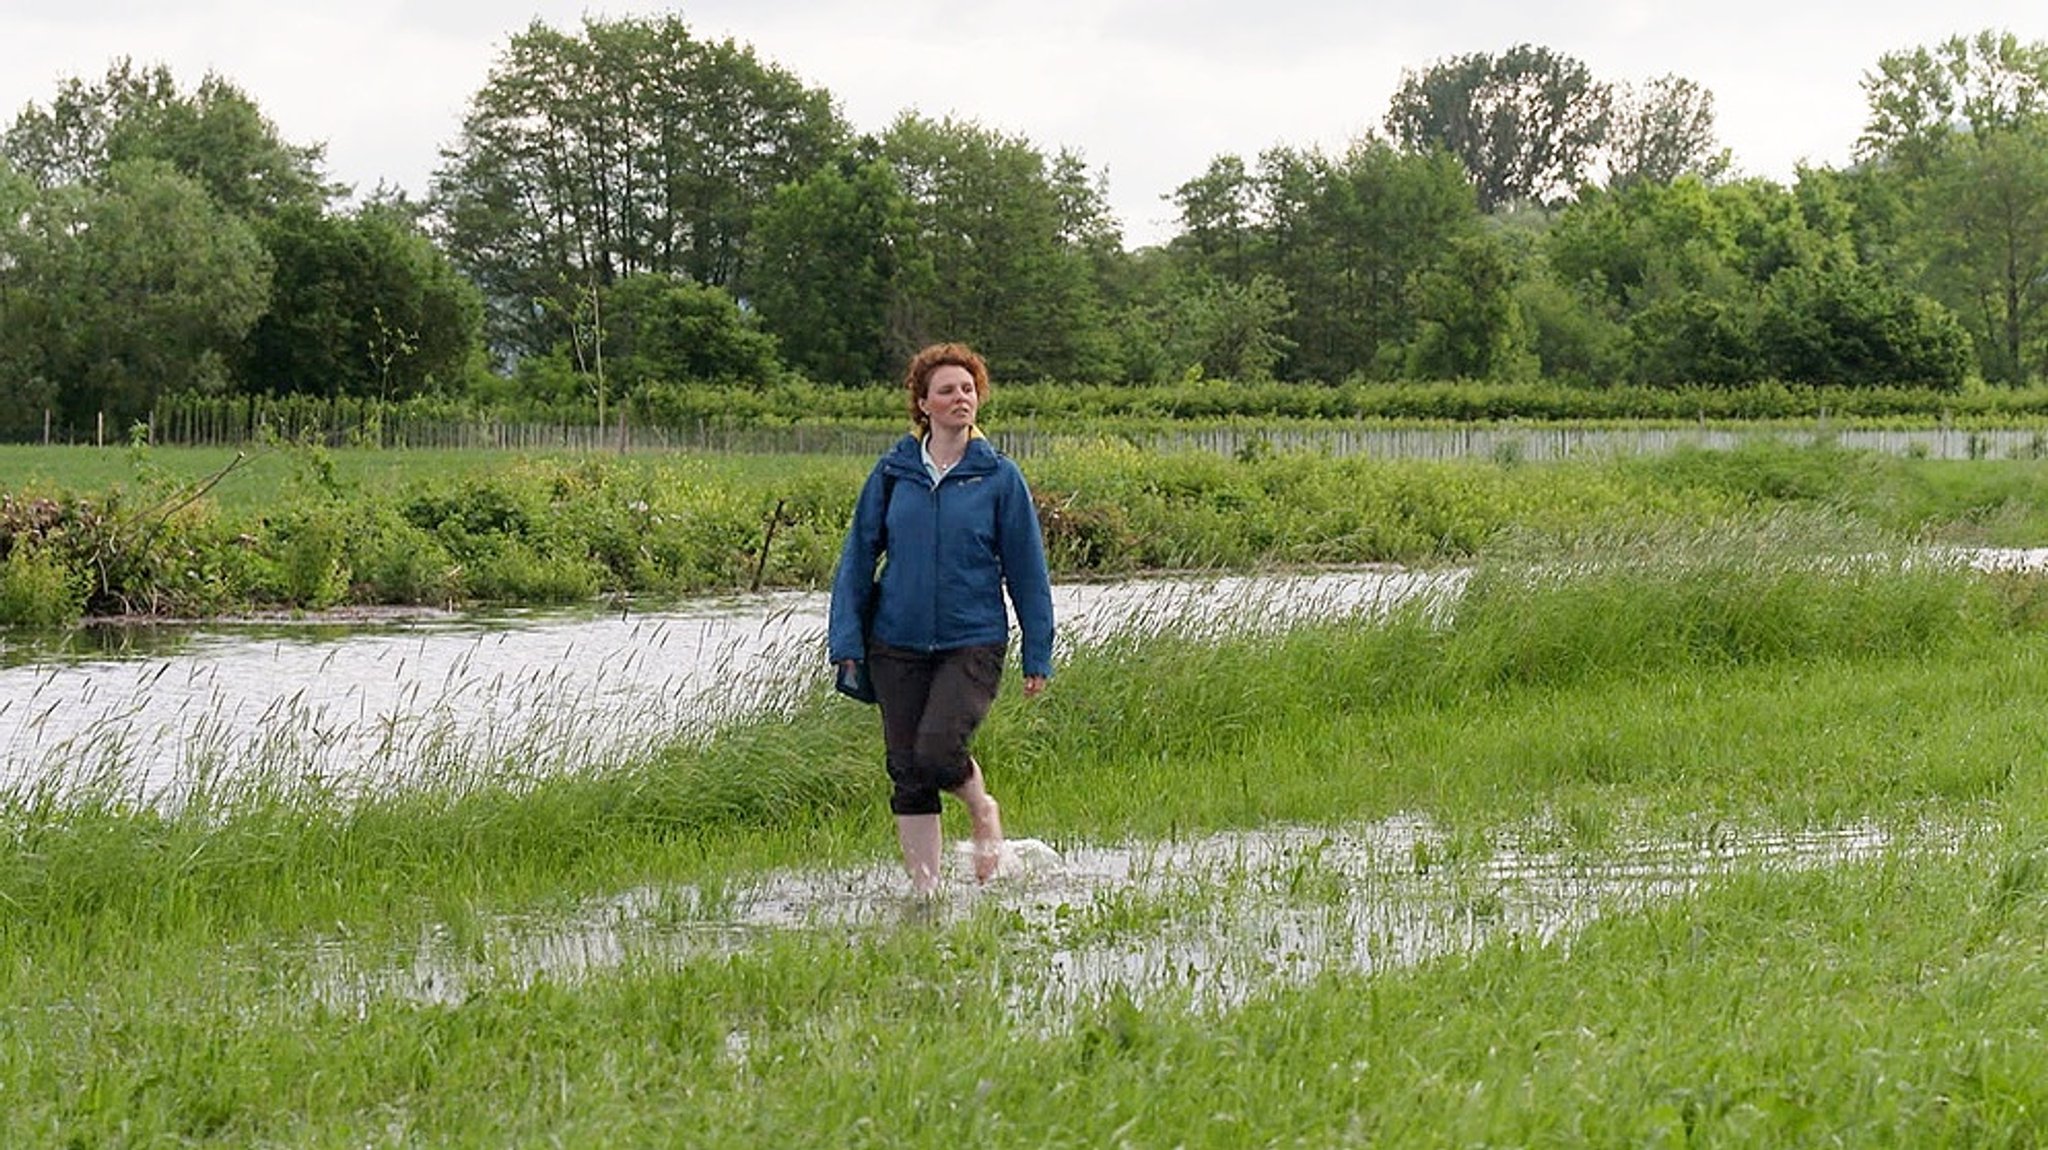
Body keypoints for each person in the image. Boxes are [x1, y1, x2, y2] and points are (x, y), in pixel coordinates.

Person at [828, 342, 1055, 895]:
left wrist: (1037, 650)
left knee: (937, 752)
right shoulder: (893, 472)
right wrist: (846, 639)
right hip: (895, 641)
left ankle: (981, 809)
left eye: (968, 389)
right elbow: (858, 556)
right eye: (948, 390)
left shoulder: (999, 477)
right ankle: (925, 892)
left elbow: (1028, 570)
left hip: (971, 639)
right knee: (906, 769)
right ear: (923, 404)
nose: (961, 398)